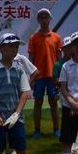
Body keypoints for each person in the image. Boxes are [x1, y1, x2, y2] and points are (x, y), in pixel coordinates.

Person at [28, 8, 62, 139]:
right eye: (41, 17)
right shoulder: (33, 38)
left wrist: (60, 75)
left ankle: (56, 130)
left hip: (52, 76)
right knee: (38, 103)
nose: (44, 20)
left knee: (54, 103)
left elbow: (59, 58)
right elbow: (31, 58)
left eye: (46, 17)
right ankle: (37, 130)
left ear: (50, 19)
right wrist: (31, 76)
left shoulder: (56, 37)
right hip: (38, 76)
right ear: (38, 20)